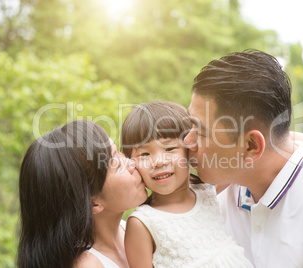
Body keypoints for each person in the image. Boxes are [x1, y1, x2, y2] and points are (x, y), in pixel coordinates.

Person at [184, 49, 303, 267]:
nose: (187, 141)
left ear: (252, 146)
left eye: (200, 131)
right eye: (190, 124)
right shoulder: (218, 195)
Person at [121, 101, 254, 268]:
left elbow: (240, 158)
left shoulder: (206, 191)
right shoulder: (142, 222)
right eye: (145, 154)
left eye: (169, 149)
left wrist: (293, 139)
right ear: (131, 163)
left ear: (189, 150)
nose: (159, 162)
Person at [17, 120, 148, 268]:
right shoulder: (88, 265)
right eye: (117, 165)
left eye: (119, 152)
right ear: (93, 203)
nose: (132, 163)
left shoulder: (134, 229)